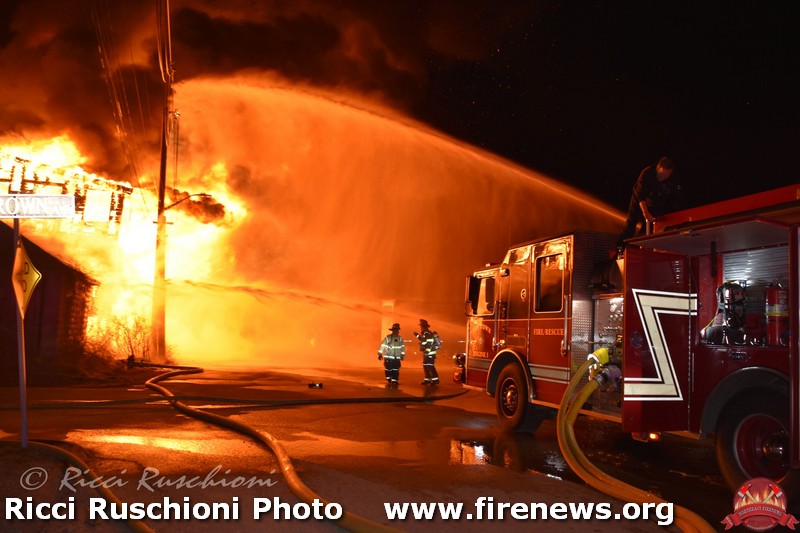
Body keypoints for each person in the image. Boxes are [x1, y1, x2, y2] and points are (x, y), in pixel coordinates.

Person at [617, 156, 685, 248]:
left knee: (648, 227)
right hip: (639, 201)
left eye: (665, 176)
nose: (662, 179)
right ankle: (621, 247)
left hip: (656, 203)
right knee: (631, 223)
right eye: (660, 176)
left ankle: (639, 248)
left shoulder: (673, 179)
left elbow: (677, 197)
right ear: (657, 168)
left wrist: (681, 215)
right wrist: (645, 212)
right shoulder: (647, 173)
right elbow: (640, 195)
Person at [414, 319, 440, 386]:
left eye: (421, 326)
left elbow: (429, 343)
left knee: (429, 366)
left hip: (429, 353)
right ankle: (427, 380)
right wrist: (417, 335)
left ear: (423, 326)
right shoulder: (425, 333)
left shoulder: (427, 333)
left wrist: (426, 351)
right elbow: (423, 340)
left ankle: (435, 380)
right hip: (427, 353)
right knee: (425, 366)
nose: (420, 327)